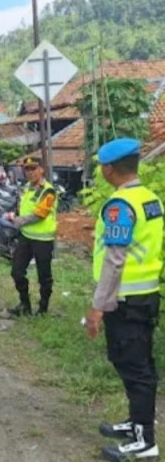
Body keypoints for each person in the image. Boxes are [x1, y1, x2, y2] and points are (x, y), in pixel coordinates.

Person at [86, 138, 163, 461]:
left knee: (134, 369)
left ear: (108, 168)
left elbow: (115, 259)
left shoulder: (120, 206)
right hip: (145, 296)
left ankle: (145, 442)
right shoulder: (150, 199)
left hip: (126, 300)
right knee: (140, 364)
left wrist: (98, 306)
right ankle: (136, 425)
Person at [7, 157, 58, 316]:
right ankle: (25, 305)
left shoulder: (48, 190)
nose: (30, 172)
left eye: (33, 168)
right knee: (16, 271)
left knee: (44, 276)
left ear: (42, 169)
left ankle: (43, 308)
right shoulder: (26, 188)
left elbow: (40, 214)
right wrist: (13, 215)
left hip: (43, 240)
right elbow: (23, 208)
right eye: (27, 169)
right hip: (26, 237)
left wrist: (18, 221)